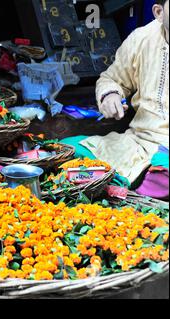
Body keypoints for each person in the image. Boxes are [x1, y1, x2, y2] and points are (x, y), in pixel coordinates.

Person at [62, 0, 169, 199]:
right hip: (138, 142)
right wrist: (110, 95)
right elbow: (112, 78)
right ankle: (130, 180)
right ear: (158, 13)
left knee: (165, 175)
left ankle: (115, 180)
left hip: (166, 155)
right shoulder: (143, 38)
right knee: (67, 149)